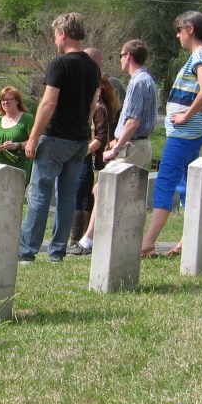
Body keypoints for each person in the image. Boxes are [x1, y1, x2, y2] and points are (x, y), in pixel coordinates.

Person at [141, 11, 202, 258]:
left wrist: (187, 115)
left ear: (190, 28)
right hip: (194, 132)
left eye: (179, 30)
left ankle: (147, 243)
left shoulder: (200, 55)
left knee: (166, 183)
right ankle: (185, 240)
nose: (177, 35)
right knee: (187, 185)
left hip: (184, 133)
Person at [18, 12, 100, 264]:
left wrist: (33, 137)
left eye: (55, 34)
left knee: (40, 194)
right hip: (79, 140)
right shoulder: (92, 67)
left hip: (54, 138)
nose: (55, 39)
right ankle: (57, 252)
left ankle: (27, 252)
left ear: (63, 34)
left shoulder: (60, 64)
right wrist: (83, 131)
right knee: (67, 197)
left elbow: (48, 103)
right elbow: (92, 105)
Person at [69, 39, 159, 256]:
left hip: (131, 147)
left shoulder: (138, 82)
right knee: (119, 194)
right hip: (136, 144)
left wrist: (116, 147)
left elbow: (133, 121)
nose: (119, 59)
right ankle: (116, 240)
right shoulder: (146, 80)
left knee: (103, 189)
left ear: (128, 56)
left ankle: (88, 241)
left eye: (120, 55)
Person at [68, 73, 118, 247]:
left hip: (89, 159)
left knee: (81, 196)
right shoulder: (92, 107)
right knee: (82, 197)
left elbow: (101, 137)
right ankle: (81, 238)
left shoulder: (99, 109)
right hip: (84, 158)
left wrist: (82, 152)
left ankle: (77, 239)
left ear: (99, 89)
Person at [0, 86, 35, 182]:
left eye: (9, 99)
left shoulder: (27, 119)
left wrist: (16, 145)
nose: (5, 102)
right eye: (3, 100)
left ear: (17, 101)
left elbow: (34, 141)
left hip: (17, 171)